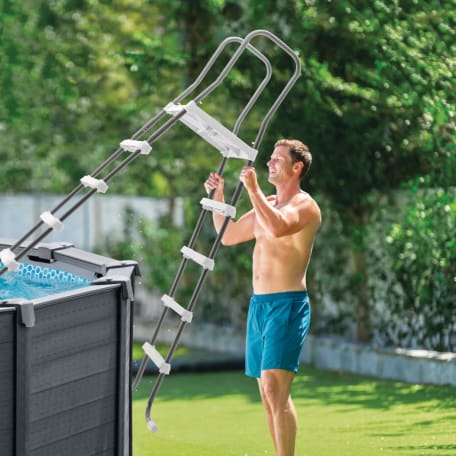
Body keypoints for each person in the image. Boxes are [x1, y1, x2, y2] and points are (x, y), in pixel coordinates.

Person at [204, 139, 321, 456]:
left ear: (297, 167)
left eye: (278, 159)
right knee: (268, 396)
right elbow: (228, 236)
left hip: (288, 304)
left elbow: (279, 228)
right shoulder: (267, 203)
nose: (269, 163)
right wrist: (218, 196)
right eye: (270, 158)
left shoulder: (305, 206)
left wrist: (253, 190)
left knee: (274, 387)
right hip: (259, 306)